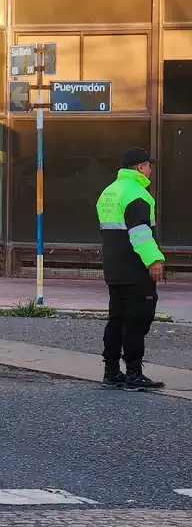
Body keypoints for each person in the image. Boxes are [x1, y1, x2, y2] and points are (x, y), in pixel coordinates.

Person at [95, 147, 166, 392]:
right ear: (139, 167)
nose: (150, 170)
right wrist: (154, 261)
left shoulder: (108, 192)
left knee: (116, 320)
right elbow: (140, 234)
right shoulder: (137, 194)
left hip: (114, 270)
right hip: (135, 270)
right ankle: (134, 374)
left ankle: (112, 373)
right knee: (136, 321)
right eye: (148, 165)